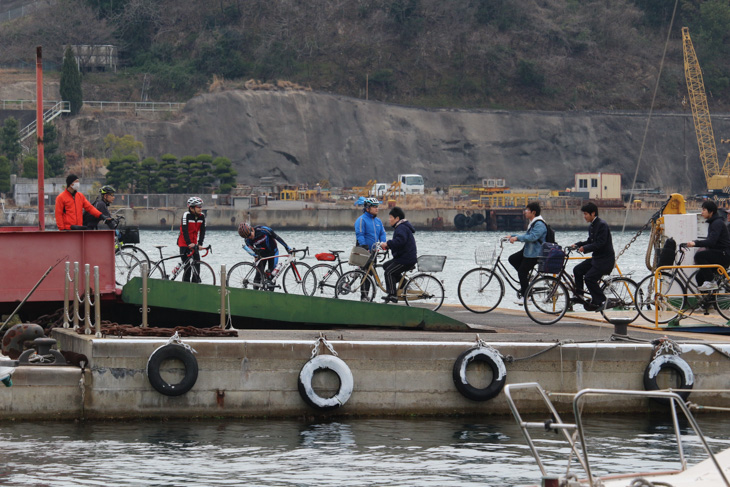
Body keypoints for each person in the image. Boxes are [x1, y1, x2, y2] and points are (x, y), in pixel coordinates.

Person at [571, 202, 615, 311]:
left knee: (589, 278)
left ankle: (603, 300)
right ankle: (579, 295)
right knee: (577, 270)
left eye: (586, 214)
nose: (584, 216)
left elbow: (600, 243)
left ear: (593, 213)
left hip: (605, 260)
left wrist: (585, 248)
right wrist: (578, 244)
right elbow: (590, 241)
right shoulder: (592, 225)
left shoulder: (602, 225)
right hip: (597, 259)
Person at [507, 201, 548, 304]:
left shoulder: (539, 224)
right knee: (512, 259)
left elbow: (532, 237)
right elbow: (527, 235)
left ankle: (526, 297)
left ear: (533, 212)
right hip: (529, 251)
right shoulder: (533, 222)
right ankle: (526, 279)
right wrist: (513, 236)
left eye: (527, 210)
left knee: (522, 272)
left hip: (535, 253)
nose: (525, 212)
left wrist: (516, 238)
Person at [685, 200, 730, 290]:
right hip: (720, 253)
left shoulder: (717, 223)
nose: (702, 212)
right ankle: (707, 302)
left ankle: (711, 282)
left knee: (699, 256)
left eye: (704, 210)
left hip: (724, 254)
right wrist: (695, 242)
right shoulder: (714, 222)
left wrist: (695, 243)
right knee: (699, 277)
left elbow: (711, 241)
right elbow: (710, 241)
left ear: (711, 212)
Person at [379, 206, 417, 303]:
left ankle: (392, 294)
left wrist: (388, 244)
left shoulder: (401, 227)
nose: (389, 219)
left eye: (391, 217)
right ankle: (403, 283)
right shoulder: (401, 227)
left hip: (405, 259)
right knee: (385, 265)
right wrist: (388, 246)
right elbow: (399, 242)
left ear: (397, 218)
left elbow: (400, 241)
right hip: (403, 257)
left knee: (389, 272)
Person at [238, 222, 291, 287]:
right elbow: (252, 250)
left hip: (273, 252)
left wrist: (286, 247)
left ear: (252, 229)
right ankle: (255, 293)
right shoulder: (247, 240)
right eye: (247, 237)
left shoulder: (263, 230)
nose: (249, 237)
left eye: (249, 235)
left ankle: (270, 293)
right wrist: (255, 256)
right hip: (262, 255)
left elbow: (277, 237)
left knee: (272, 277)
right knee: (258, 276)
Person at [355, 197, 387, 300]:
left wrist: (383, 243)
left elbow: (382, 233)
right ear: (368, 208)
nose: (377, 209)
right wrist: (364, 247)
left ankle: (368, 295)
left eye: (377, 207)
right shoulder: (361, 220)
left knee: (370, 275)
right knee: (366, 274)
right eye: (374, 207)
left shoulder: (378, 221)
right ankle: (363, 297)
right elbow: (360, 234)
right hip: (364, 251)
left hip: (374, 252)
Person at [177, 197, 206, 283]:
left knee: (197, 267)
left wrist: (200, 243)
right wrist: (189, 243)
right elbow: (184, 231)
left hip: (194, 244)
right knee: (187, 269)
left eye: (201, 207)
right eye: (198, 207)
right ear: (191, 208)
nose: (200, 208)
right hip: (184, 244)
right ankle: (185, 286)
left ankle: (195, 286)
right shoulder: (186, 215)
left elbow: (203, 231)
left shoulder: (202, 216)